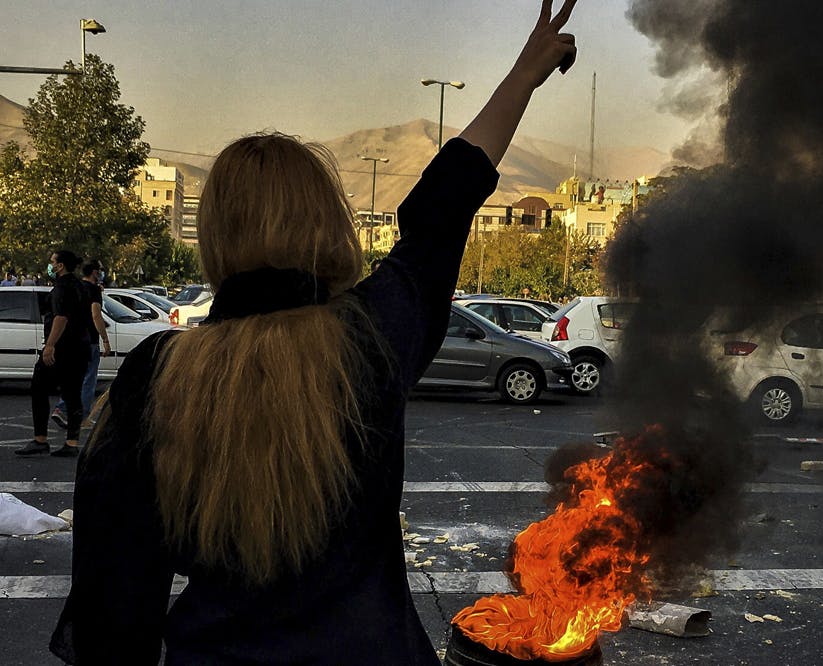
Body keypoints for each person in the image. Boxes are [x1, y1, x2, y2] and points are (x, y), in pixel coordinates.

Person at [49, 2, 578, 663]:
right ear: (327, 224)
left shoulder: (157, 375)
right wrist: (523, 77)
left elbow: (113, 612)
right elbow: (442, 208)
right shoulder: (370, 339)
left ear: (216, 236)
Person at [15, 250, 92, 457]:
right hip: (80, 348)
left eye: (52, 262)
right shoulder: (80, 286)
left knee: (39, 389)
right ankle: (71, 443)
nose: (50, 265)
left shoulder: (62, 287)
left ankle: (40, 440)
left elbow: (61, 318)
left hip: (63, 350)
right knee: (73, 394)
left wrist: (50, 346)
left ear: (60, 266)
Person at [50, 259, 111, 429]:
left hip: (71, 339)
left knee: (74, 378)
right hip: (88, 340)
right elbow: (96, 315)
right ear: (94, 272)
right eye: (101, 269)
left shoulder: (75, 286)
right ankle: (80, 417)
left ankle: (61, 408)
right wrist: (105, 339)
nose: (102, 272)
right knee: (88, 380)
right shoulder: (93, 290)